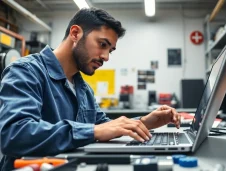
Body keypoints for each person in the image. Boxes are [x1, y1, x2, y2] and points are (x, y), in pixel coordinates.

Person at [0, 8, 181, 170]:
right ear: (75, 33)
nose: (106, 57)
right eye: (102, 44)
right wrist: (93, 131)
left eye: (110, 50)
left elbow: (104, 126)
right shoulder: (26, 71)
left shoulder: (83, 88)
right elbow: (14, 134)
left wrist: (146, 122)